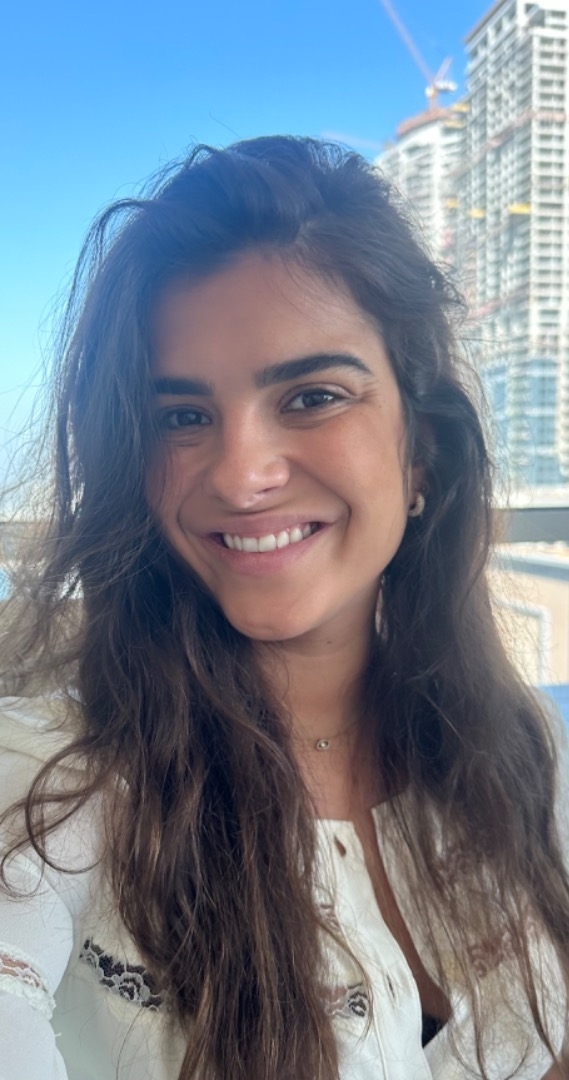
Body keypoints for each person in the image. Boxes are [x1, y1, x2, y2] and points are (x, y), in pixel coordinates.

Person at [0, 136, 567, 1080]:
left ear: (421, 451)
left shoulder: (521, 746)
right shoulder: (51, 783)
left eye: (311, 397)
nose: (240, 474)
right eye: (181, 417)